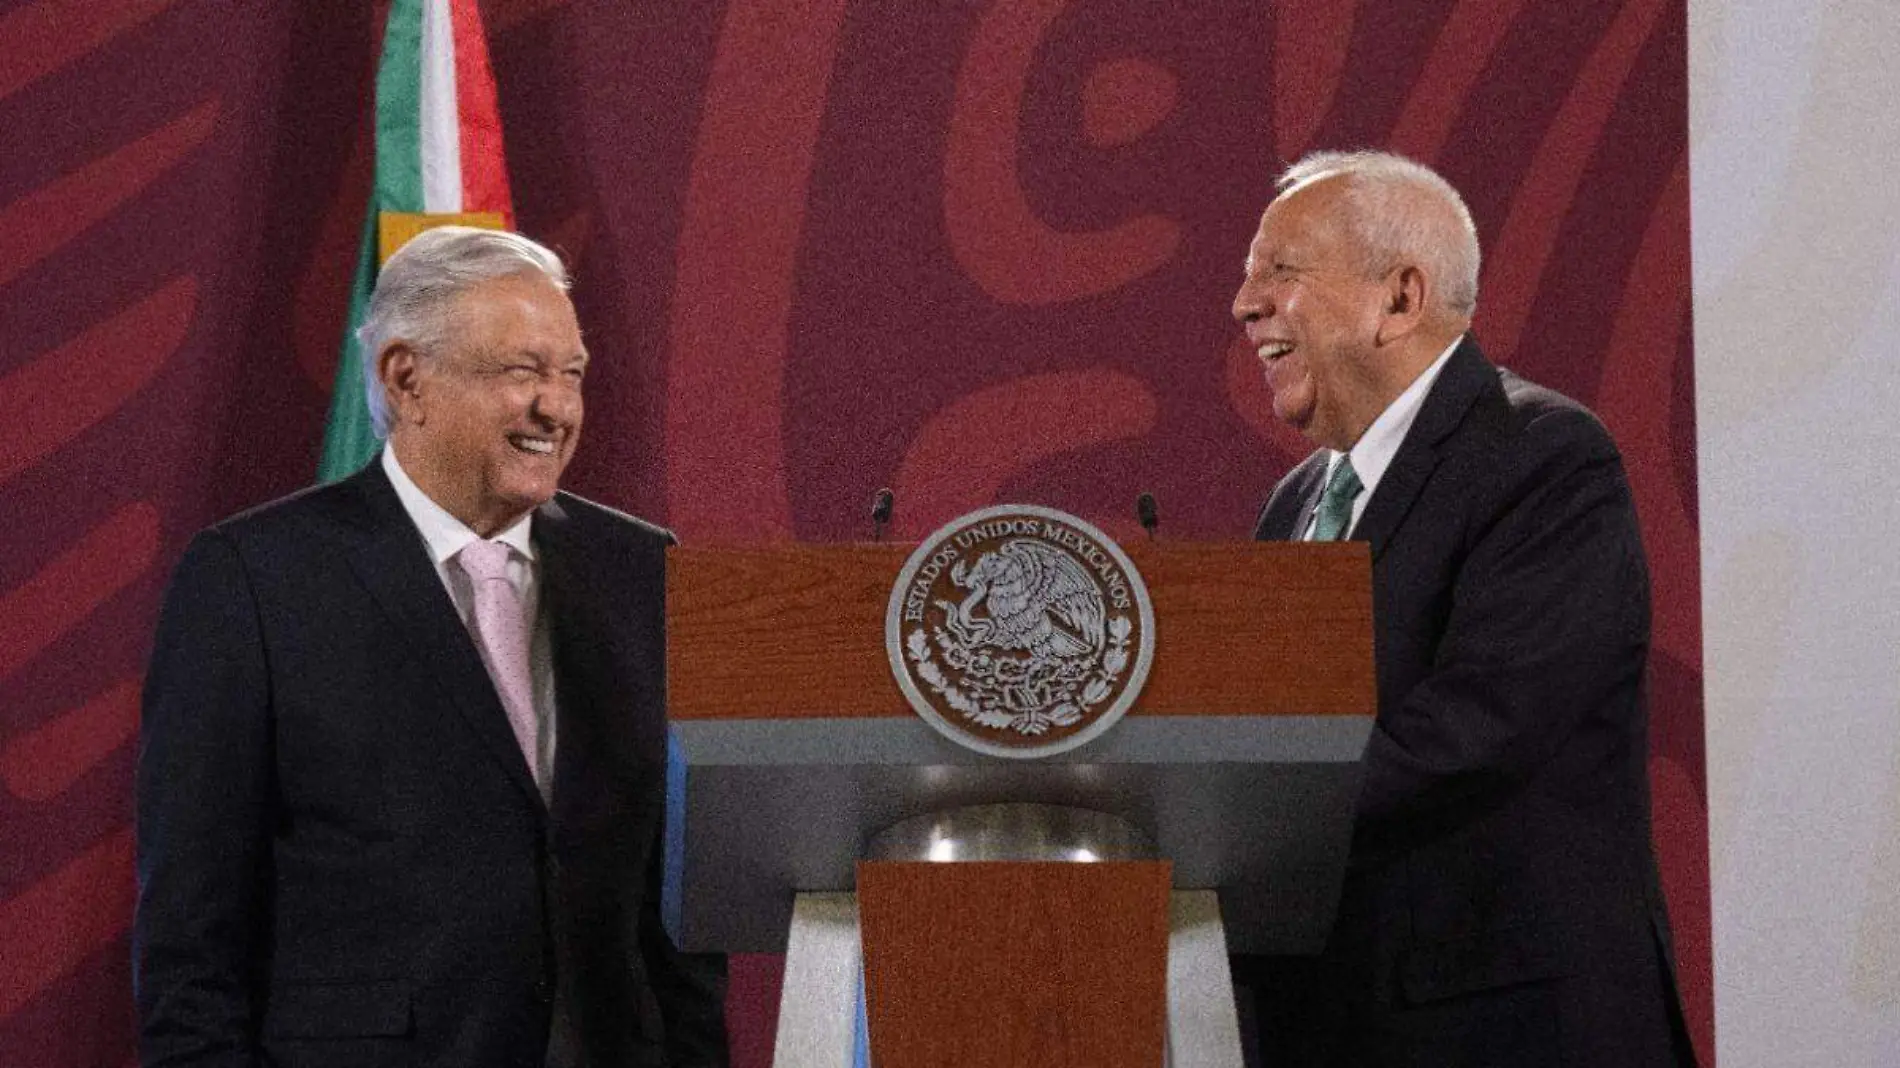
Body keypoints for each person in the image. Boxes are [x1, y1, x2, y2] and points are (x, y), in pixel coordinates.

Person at [134, 226, 727, 1067]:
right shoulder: (254, 580)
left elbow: (677, 910)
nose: (556, 409)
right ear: (407, 379)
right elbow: (192, 938)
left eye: (571, 375)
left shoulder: (641, 569)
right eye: (522, 372)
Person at [1230, 151, 1696, 1067]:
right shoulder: (1294, 503)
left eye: (1279, 274)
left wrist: (1230, 813)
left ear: (1399, 297)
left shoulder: (1543, 458)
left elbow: (1480, 726)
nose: (1245, 306)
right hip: (1336, 1022)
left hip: (1505, 1025)